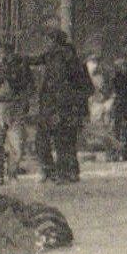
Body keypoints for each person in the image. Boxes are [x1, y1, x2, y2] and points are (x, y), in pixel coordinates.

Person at [36, 29, 93, 183]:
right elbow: (35, 61)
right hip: (49, 105)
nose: (46, 43)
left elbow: (85, 86)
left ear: (56, 42)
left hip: (65, 105)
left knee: (64, 139)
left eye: (49, 40)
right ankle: (56, 171)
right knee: (45, 139)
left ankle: (66, 173)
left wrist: (75, 104)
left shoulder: (69, 59)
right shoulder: (50, 56)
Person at [0, 39, 35, 185]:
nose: (1, 56)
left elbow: (30, 87)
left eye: (4, 53)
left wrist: (23, 100)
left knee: (17, 144)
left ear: (11, 53)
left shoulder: (21, 68)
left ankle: (12, 173)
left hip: (15, 108)